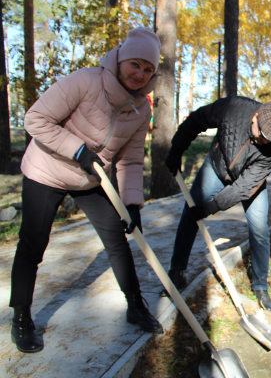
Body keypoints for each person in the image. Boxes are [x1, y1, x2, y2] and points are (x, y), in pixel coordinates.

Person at [10, 27, 163, 354]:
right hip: (47, 170)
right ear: (121, 59)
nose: (140, 74)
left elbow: (131, 160)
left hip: (90, 178)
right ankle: (21, 317)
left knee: (117, 240)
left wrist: (132, 202)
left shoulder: (142, 108)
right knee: (33, 243)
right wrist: (77, 149)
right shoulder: (85, 81)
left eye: (148, 69)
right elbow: (35, 119)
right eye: (135, 64)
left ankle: (135, 306)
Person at [161, 97, 271, 312]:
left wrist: (212, 208)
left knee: (259, 229)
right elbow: (197, 120)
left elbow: (243, 187)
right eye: (263, 136)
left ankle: (259, 284)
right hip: (217, 165)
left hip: (249, 180)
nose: (265, 143)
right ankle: (176, 271)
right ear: (255, 117)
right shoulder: (233, 108)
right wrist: (176, 150)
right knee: (191, 212)